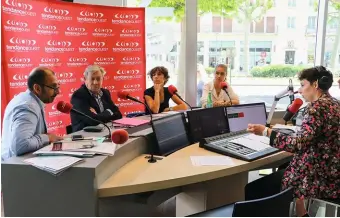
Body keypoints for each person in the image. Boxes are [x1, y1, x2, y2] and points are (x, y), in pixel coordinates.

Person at [247, 66, 340, 217]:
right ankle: (302, 212)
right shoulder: (335, 103)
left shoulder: (316, 108)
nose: (300, 90)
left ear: (315, 84)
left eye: (303, 85)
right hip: (332, 172)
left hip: (318, 177)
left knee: (256, 188)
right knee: (285, 168)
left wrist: (266, 131)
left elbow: (298, 145)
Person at [1, 67, 63, 160]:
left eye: (58, 86)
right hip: (14, 167)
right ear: (37, 88)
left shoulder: (30, 101)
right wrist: (47, 138)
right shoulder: (28, 106)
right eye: (53, 87)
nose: (58, 91)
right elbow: (20, 145)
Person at [71, 65, 122, 132]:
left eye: (98, 79)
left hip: (104, 130)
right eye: (92, 79)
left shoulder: (105, 92)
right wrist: (108, 112)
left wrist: (97, 115)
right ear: (85, 79)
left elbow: (118, 114)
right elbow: (92, 121)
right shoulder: (78, 95)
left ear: (103, 79)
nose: (95, 82)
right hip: (85, 135)